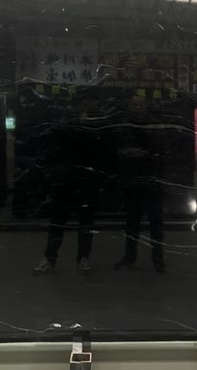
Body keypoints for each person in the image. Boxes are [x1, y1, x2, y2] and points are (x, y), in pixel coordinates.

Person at [32, 107, 102, 274]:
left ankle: (53, 258)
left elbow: (50, 156)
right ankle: (78, 258)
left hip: (73, 183)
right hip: (75, 183)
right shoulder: (87, 134)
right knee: (80, 223)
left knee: (62, 223)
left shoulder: (66, 133)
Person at [113, 94, 166, 272]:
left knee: (155, 223)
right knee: (132, 223)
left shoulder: (154, 124)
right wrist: (129, 153)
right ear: (129, 106)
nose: (138, 107)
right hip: (133, 179)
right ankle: (130, 257)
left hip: (151, 179)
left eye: (141, 104)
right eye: (135, 104)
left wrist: (144, 154)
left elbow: (162, 149)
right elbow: (117, 149)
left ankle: (157, 259)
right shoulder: (125, 125)